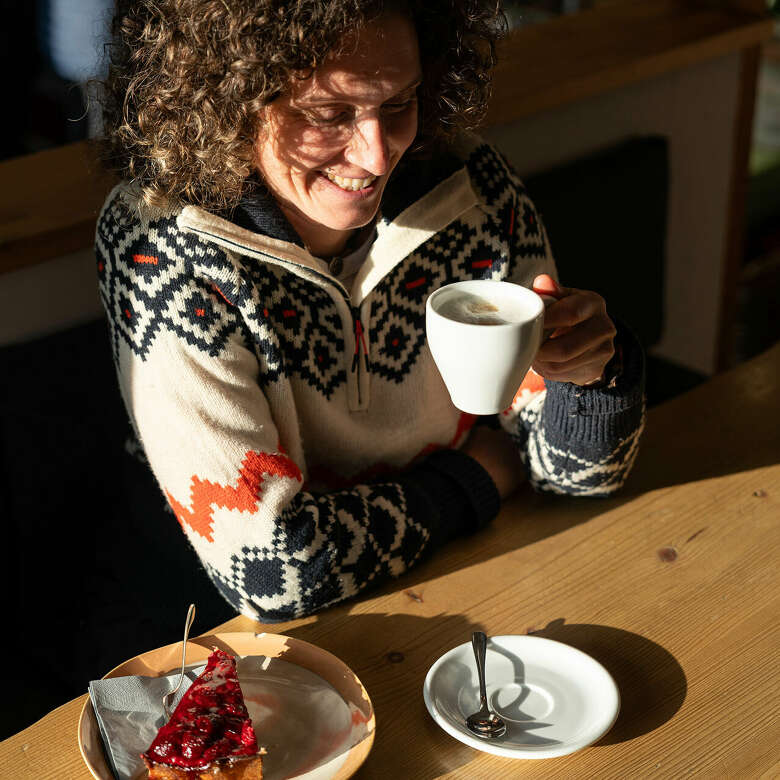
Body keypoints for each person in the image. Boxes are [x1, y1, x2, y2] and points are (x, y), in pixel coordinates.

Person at [96, 0, 645, 623]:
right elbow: (276, 574)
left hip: (466, 571)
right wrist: (477, 480)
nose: (378, 155)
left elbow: (578, 478)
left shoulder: (472, 190)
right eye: (329, 115)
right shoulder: (161, 246)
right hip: (209, 626)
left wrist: (592, 379)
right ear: (229, 102)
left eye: (398, 104)